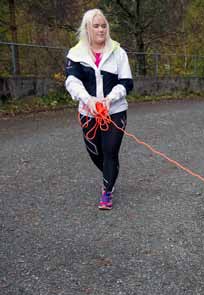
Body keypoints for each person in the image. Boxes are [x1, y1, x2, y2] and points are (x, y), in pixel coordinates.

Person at [65, 8, 133, 210]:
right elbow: (72, 81)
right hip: (88, 113)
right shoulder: (76, 54)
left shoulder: (118, 52)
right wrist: (89, 100)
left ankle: (107, 191)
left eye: (104, 25)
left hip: (115, 112)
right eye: (96, 26)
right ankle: (109, 174)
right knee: (96, 153)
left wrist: (109, 99)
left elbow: (127, 83)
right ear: (87, 28)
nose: (101, 29)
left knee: (110, 151)